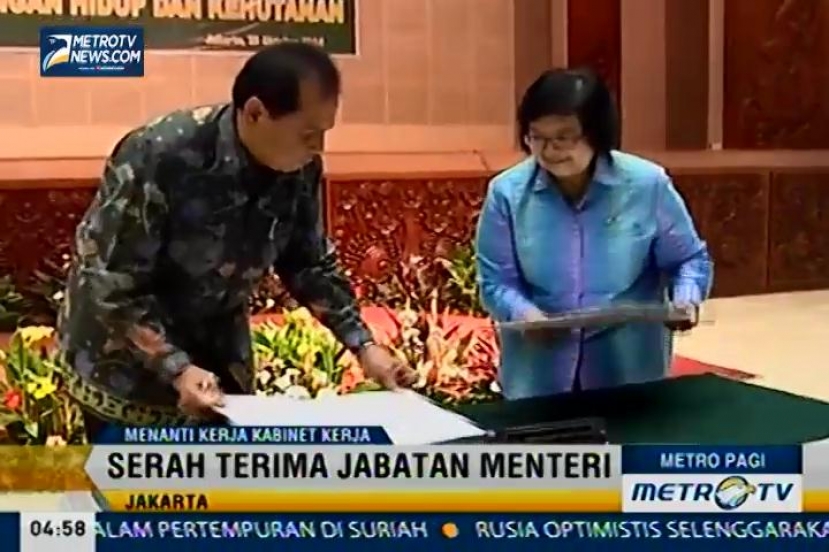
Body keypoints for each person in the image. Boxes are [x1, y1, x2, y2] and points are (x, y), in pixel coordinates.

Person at [58, 43, 417, 437]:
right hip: (124, 363)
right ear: (256, 112)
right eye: (308, 133)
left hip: (217, 352)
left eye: (324, 133)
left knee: (227, 472)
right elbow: (111, 281)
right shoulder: (160, 153)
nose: (318, 148)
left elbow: (309, 262)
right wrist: (175, 367)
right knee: (145, 476)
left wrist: (364, 346)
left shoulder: (300, 166)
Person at [475, 68, 713, 400]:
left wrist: (685, 300)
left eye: (564, 137)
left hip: (628, 366)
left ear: (598, 134)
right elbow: (496, 281)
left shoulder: (647, 184)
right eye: (537, 137)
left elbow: (687, 260)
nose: (550, 151)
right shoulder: (507, 193)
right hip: (539, 372)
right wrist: (524, 315)